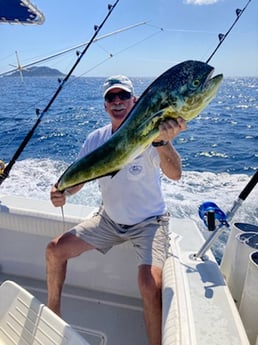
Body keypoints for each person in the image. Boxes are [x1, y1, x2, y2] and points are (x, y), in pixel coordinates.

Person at [46, 75, 187, 345]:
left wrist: (163, 142)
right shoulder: (95, 138)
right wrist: (60, 191)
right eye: (111, 97)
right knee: (54, 250)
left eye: (123, 96)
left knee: (149, 284)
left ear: (135, 102)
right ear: (105, 106)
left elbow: (175, 173)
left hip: (149, 223)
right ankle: (54, 313)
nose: (118, 101)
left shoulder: (151, 135)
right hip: (108, 220)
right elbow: (80, 179)